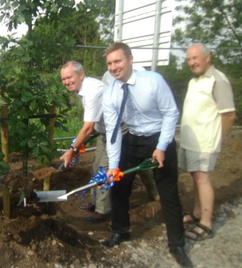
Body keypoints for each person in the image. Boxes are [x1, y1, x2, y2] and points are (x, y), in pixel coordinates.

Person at [102, 42, 193, 268]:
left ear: (130, 59)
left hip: (159, 138)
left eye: (118, 61)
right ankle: (121, 231)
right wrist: (113, 165)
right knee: (119, 186)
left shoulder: (153, 81)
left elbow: (171, 113)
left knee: (168, 192)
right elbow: (113, 133)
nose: (114, 67)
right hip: (133, 139)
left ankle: (177, 245)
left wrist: (161, 147)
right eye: (110, 63)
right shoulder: (111, 93)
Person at [179, 43, 236, 240]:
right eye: (189, 59)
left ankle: (206, 223)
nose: (192, 63)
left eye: (196, 58)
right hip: (190, 140)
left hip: (205, 141)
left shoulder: (217, 80)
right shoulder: (194, 81)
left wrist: (221, 138)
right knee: (195, 177)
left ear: (207, 57)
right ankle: (197, 212)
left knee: (202, 178)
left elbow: (228, 114)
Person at [60, 61, 111, 223]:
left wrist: (72, 150)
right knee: (96, 166)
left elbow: (88, 128)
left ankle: (103, 211)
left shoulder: (92, 91)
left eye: (69, 77)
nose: (66, 82)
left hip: (118, 132)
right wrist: (75, 145)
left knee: (104, 169)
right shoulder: (82, 88)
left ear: (81, 75)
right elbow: (93, 123)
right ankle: (95, 203)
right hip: (104, 131)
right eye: (63, 79)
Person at [102, 70, 160, 202]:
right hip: (119, 122)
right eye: (111, 62)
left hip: (141, 127)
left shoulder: (142, 73)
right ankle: (123, 198)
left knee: (148, 162)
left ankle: (153, 190)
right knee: (130, 161)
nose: (115, 67)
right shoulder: (107, 76)